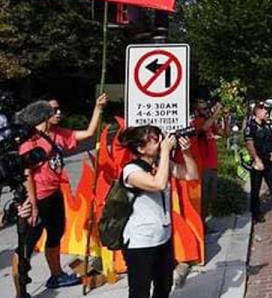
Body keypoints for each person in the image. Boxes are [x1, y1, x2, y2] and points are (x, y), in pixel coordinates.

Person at [12, 95, 106, 295]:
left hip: (54, 195)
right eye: (54, 110)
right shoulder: (30, 141)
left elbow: (88, 133)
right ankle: (20, 291)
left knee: (55, 235)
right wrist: (33, 204)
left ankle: (56, 275)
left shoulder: (58, 134)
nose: (59, 113)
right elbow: (26, 174)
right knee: (26, 245)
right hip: (36, 198)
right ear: (42, 115)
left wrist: (98, 108)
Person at [117, 125, 198, 298]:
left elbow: (191, 175)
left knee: (164, 286)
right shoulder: (131, 170)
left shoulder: (161, 164)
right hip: (140, 241)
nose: (161, 142)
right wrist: (165, 153)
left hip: (163, 238)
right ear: (140, 148)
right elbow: (157, 184)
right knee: (140, 291)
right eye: (155, 140)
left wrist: (186, 152)